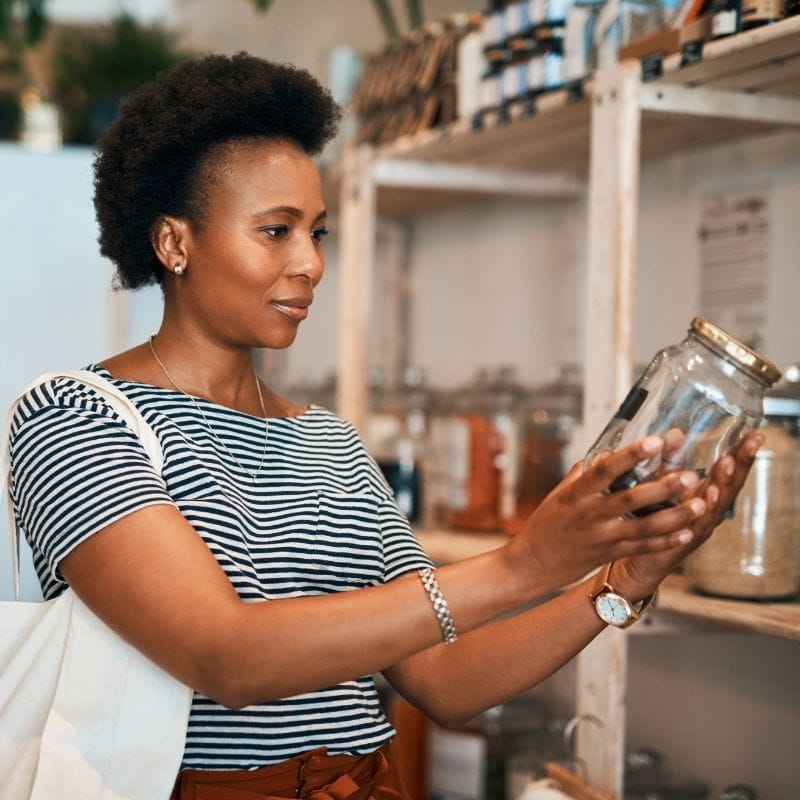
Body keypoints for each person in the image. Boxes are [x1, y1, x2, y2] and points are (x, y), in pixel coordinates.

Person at [7, 52, 762, 799]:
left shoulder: (329, 440)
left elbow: (445, 679)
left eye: (319, 232)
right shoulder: (73, 417)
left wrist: (619, 580)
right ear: (175, 243)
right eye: (276, 231)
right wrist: (523, 564)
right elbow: (225, 656)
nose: (309, 263)